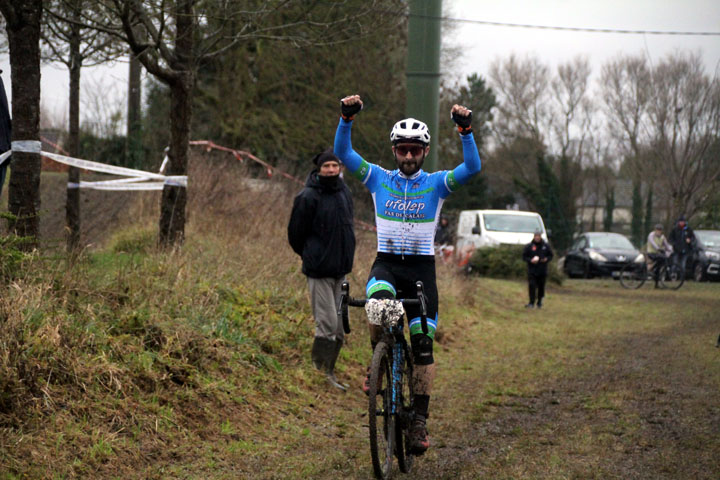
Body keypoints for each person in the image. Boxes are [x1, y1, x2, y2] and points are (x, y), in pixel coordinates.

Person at [334, 94, 481, 454]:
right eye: (403, 150)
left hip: (420, 271)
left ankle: (418, 420)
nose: (409, 156)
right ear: (395, 151)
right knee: (377, 305)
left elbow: (472, 167)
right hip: (387, 263)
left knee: (423, 345)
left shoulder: (437, 184)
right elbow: (343, 153)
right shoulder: (377, 179)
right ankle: (377, 361)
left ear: (425, 151)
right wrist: (346, 119)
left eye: (415, 150)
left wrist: (465, 130)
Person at [288, 148, 355, 391]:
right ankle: (319, 376)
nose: (331, 170)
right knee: (326, 323)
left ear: (340, 169)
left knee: (338, 328)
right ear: (319, 169)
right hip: (319, 271)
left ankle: (329, 373)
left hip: (341, 271)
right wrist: (310, 256)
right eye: (326, 166)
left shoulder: (345, 192)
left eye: (334, 166)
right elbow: (295, 234)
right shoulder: (307, 197)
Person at [522, 229, 553, 308]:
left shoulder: (545, 246)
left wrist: (546, 259)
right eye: (536, 236)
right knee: (532, 285)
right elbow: (524, 257)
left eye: (538, 236)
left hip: (542, 270)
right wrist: (530, 260)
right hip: (532, 270)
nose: (537, 238)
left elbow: (550, 255)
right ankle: (531, 302)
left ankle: (539, 302)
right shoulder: (529, 246)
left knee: (541, 287)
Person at [646, 223, 673, 288]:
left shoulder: (662, 237)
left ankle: (656, 284)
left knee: (659, 266)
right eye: (657, 230)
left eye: (660, 230)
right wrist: (658, 248)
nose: (659, 231)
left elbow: (666, 246)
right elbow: (653, 243)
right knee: (662, 258)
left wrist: (671, 250)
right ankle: (651, 269)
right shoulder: (651, 235)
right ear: (655, 230)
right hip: (651, 253)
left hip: (657, 254)